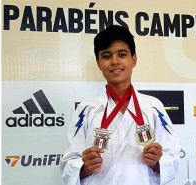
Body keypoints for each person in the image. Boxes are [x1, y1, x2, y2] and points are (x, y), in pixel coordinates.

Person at [60, 25, 181, 185]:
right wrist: (84, 167)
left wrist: (157, 162)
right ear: (98, 63)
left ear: (134, 59)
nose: (114, 61)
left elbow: (172, 156)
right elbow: (69, 162)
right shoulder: (87, 109)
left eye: (122, 54)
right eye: (106, 56)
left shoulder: (152, 107)